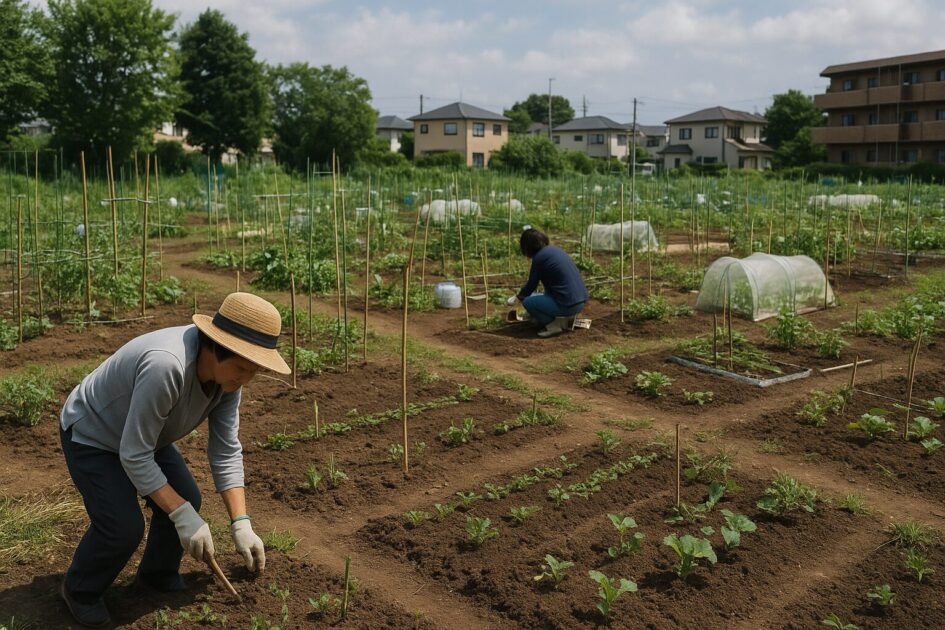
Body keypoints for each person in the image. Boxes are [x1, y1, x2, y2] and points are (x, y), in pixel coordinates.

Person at [58, 292, 291, 627]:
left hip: (145, 436)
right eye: (242, 368)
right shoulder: (167, 365)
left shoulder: (229, 381)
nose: (245, 379)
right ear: (214, 346)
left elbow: (225, 449)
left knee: (188, 498)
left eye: (254, 371)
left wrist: (241, 523)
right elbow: (134, 455)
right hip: (93, 434)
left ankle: (156, 576)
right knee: (123, 528)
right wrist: (182, 515)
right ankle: (80, 590)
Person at [507, 227, 588, 338]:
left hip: (568, 304)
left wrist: (519, 297)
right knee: (535, 297)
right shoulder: (555, 250)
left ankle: (552, 326)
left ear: (527, 246)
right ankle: (563, 319)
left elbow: (532, 284)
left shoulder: (539, 258)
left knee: (528, 302)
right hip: (579, 301)